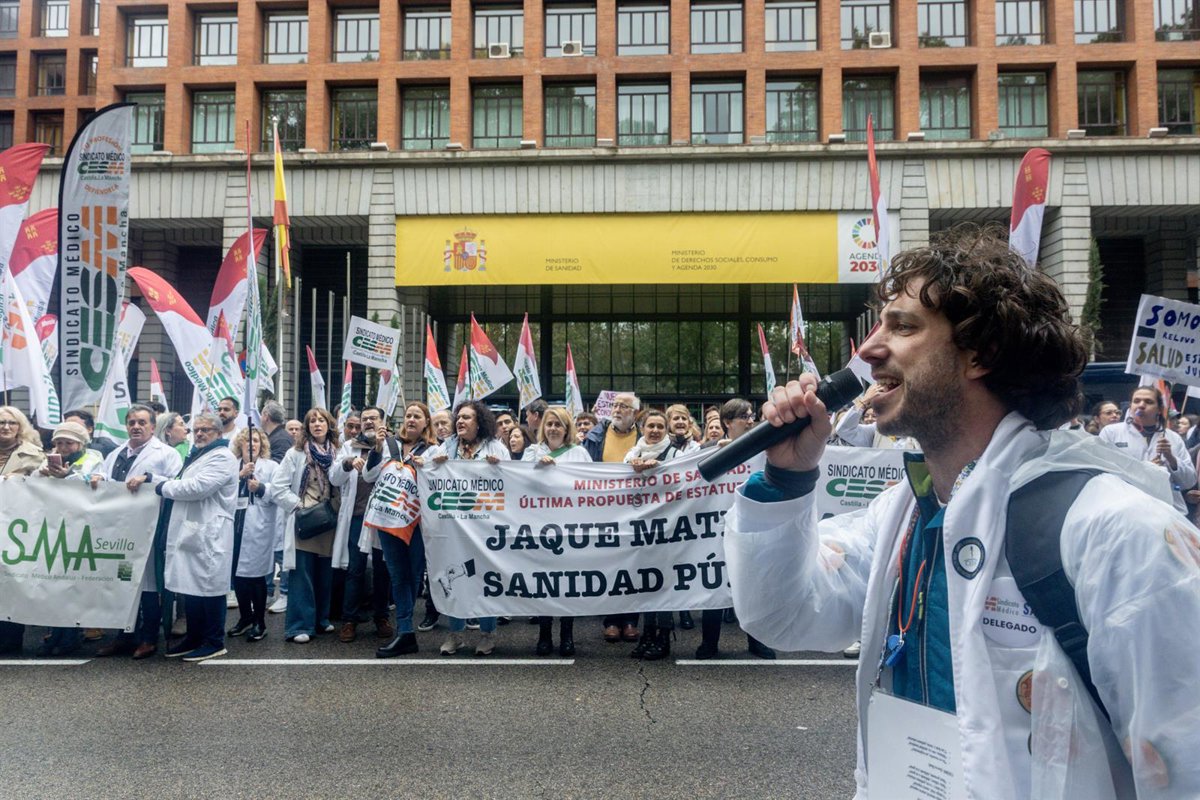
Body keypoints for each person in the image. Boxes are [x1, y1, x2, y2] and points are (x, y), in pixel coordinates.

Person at [725, 227, 1200, 799]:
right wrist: (787, 477)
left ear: (981, 354)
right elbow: (784, 615)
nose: (868, 352)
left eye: (902, 327)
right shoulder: (903, 513)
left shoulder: (1119, 532)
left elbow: (1184, 767)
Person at [92, 405, 183, 660]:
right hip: (121, 533)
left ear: (153, 427)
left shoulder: (166, 454)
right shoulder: (116, 453)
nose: (136, 427)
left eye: (142, 422)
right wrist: (97, 477)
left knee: (148, 587)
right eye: (132, 422)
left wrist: (149, 477)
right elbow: (103, 475)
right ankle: (124, 637)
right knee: (125, 583)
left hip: (149, 532)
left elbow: (177, 483)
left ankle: (148, 638)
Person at [156, 412, 239, 662]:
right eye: (197, 430)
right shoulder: (200, 455)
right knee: (190, 585)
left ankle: (214, 641)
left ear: (219, 433)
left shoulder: (222, 457)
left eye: (206, 430)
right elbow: (183, 481)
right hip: (193, 531)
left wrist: (161, 487)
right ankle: (194, 637)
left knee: (210, 586)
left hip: (211, 532)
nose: (200, 434)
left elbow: (198, 488)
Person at [425, 400, 507, 656]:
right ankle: (456, 634)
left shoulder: (495, 447)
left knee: (484, 579)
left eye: (467, 417)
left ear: (479, 422)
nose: (460, 421)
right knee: (455, 578)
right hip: (454, 528)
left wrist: (499, 468)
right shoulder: (447, 446)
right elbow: (425, 470)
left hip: (484, 528)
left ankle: (487, 634)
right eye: (458, 417)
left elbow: (510, 481)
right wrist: (434, 464)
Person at [696, 399, 775, 661]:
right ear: (727, 422)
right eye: (744, 416)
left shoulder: (764, 446)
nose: (751, 420)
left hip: (752, 527)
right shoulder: (707, 450)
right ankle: (709, 642)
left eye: (752, 415)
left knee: (754, 587)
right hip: (716, 529)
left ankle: (757, 640)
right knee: (715, 584)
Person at [624, 409, 693, 660]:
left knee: (663, 585)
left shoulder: (676, 455)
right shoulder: (631, 455)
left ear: (666, 430)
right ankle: (648, 634)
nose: (654, 431)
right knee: (645, 585)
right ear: (642, 428)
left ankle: (664, 637)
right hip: (641, 530)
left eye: (660, 427)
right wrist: (632, 469)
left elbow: (686, 486)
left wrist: (663, 469)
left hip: (667, 529)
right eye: (650, 426)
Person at [523, 406, 591, 656]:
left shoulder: (579, 453)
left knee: (566, 581)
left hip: (569, 526)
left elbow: (591, 486)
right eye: (549, 424)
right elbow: (517, 483)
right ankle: (544, 633)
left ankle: (567, 633)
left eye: (558, 424)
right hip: (539, 526)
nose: (553, 428)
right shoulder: (532, 452)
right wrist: (536, 468)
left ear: (566, 428)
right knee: (544, 581)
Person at [371, 402, 437, 657]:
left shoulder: (433, 449)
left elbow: (439, 481)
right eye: (408, 415)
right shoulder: (389, 445)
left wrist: (427, 467)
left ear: (426, 422)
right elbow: (368, 475)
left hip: (417, 523)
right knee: (397, 575)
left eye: (417, 416)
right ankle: (405, 631)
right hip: (389, 520)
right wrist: (377, 450)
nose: (411, 419)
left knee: (413, 574)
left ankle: (406, 629)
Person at [270, 408, 341, 644]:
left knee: (324, 574)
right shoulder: (296, 453)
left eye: (321, 420)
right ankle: (300, 625)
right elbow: (277, 487)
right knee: (302, 574)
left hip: (329, 520)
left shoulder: (337, 452)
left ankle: (321, 619)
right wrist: (298, 506)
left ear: (329, 425)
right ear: (307, 427)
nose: (317, 424)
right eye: (312, 421)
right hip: (305, 519)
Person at [581, 392, 642, 642]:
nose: (617, 409)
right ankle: (612, 620)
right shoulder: (595, 437)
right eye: (615, 405)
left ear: (635, 413)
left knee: (634, 565)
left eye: (624, 406)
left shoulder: (644, 436)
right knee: (610, 565)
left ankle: (630, 620)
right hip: (604, 510)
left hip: (637, 509)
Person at [332, 406, 391, 644]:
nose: (368, 422)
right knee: (355, 569)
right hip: (357, 517)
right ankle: (349, 620)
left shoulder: (392, 446)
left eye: (373, 418)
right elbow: (334, 478)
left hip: (384, 517)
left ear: (382, 422)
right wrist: (347, 463)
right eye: (364, 419)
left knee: (382, 570)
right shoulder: (349, 446)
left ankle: (382, 617)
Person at [1098, 386, 1196, 513]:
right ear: (1130, 406)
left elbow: (1189, 482)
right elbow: (1102, 472)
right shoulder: (1111, 433)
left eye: (1148, 402)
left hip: (1167, 511)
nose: (1141, 405)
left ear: (1159, 409)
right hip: (1126, 509)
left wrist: (1171, 459)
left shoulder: (1173, 438)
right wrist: (1145, 469)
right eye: (1136, 401)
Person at [0, 406, 47, 655]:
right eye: (1, 422)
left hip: (17, 529)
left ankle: (10, 639)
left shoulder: (34, 454)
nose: (6, 427)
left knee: (11, 583)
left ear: (20, 427)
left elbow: (45, 487)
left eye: (11, 422)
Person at [228, 428, 278, 643]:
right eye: (248, 441)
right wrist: (239, 476)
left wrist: (260, 488)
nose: (252, 444)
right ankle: (245, 617)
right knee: (237, 575)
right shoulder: (232, 465)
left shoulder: (271, 467)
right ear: (240, 445)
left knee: (256, 577)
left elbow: (278, 492)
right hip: (234, 525)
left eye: (256, 440)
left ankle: (259, 621)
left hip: (258, 526)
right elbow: (220, 488)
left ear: (262, 445)